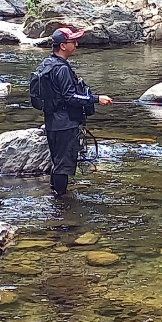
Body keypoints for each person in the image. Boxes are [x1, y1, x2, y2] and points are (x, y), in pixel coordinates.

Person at [33, 27, 113, 197]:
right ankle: (60, 202)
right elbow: (70, 97)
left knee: (58, 162)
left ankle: (55, 195)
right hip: (65, 124)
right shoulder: (61, 69)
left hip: (52, 122)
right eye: (73, 42)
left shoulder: (47, 64)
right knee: (63, 165)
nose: (76, 45)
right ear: (63, 46)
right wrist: (96, 99)